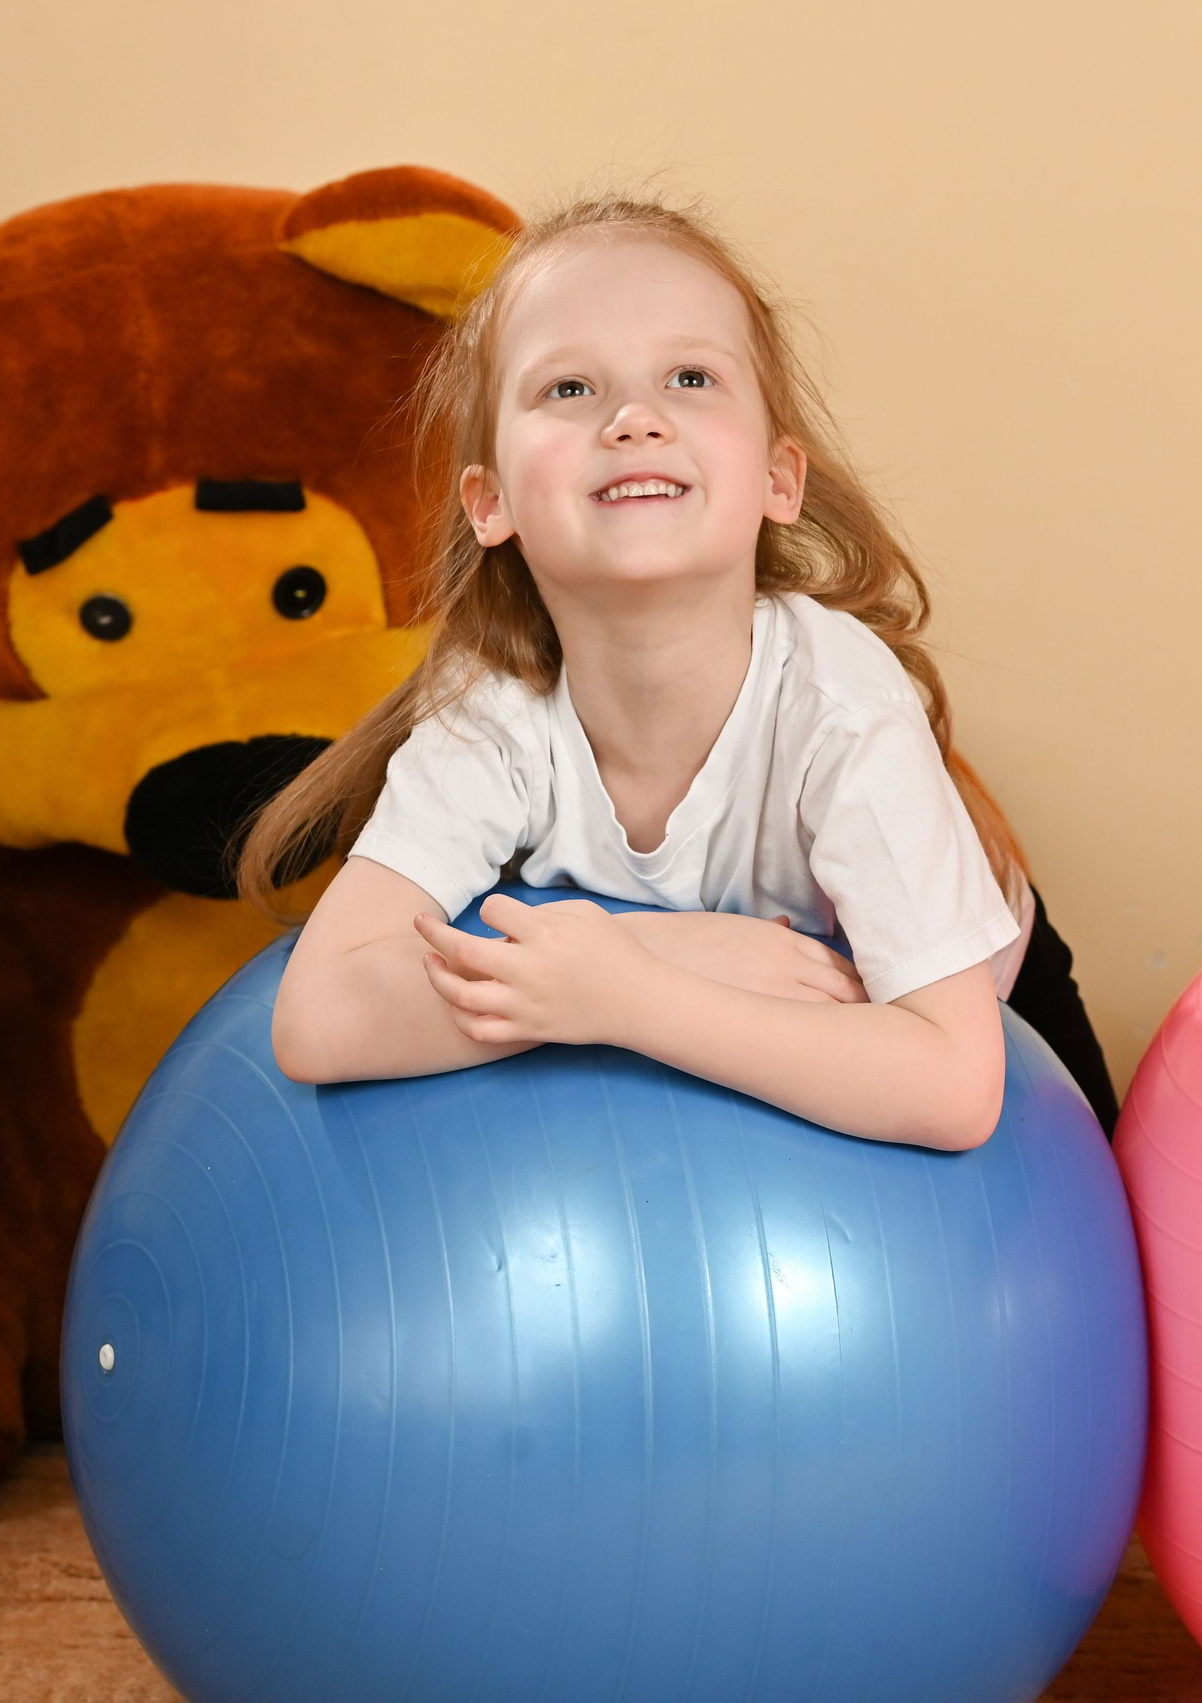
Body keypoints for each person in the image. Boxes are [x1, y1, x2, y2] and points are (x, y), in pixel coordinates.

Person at [238, 194, 1115, 1147]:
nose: (634, 418)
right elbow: (317, 1015)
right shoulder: (493, 715)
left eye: (690, 376)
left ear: (781, 479)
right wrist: (640, 962)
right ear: (490, 503)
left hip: (989, 1012)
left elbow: (953, 1085)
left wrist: (634, 996)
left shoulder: (841, 705)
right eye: (569, 389)